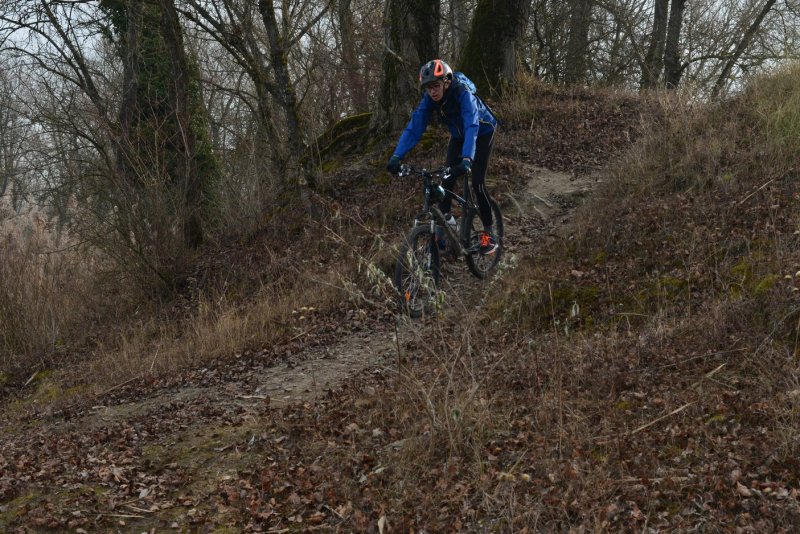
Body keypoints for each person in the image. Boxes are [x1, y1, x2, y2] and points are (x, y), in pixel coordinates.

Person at [387, 59, 499, 255]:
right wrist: (397, 156)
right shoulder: (429, 99)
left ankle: (489, 233)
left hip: (482, 132)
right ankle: (445, 226)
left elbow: (472, 125)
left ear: (446, 83)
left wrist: (467, 159)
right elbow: (414, 127)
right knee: (445, 180)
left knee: (477, 182)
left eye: (436, 86)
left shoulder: (462, 92)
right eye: (428, 88)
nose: (432, 92)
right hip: (458, 136)